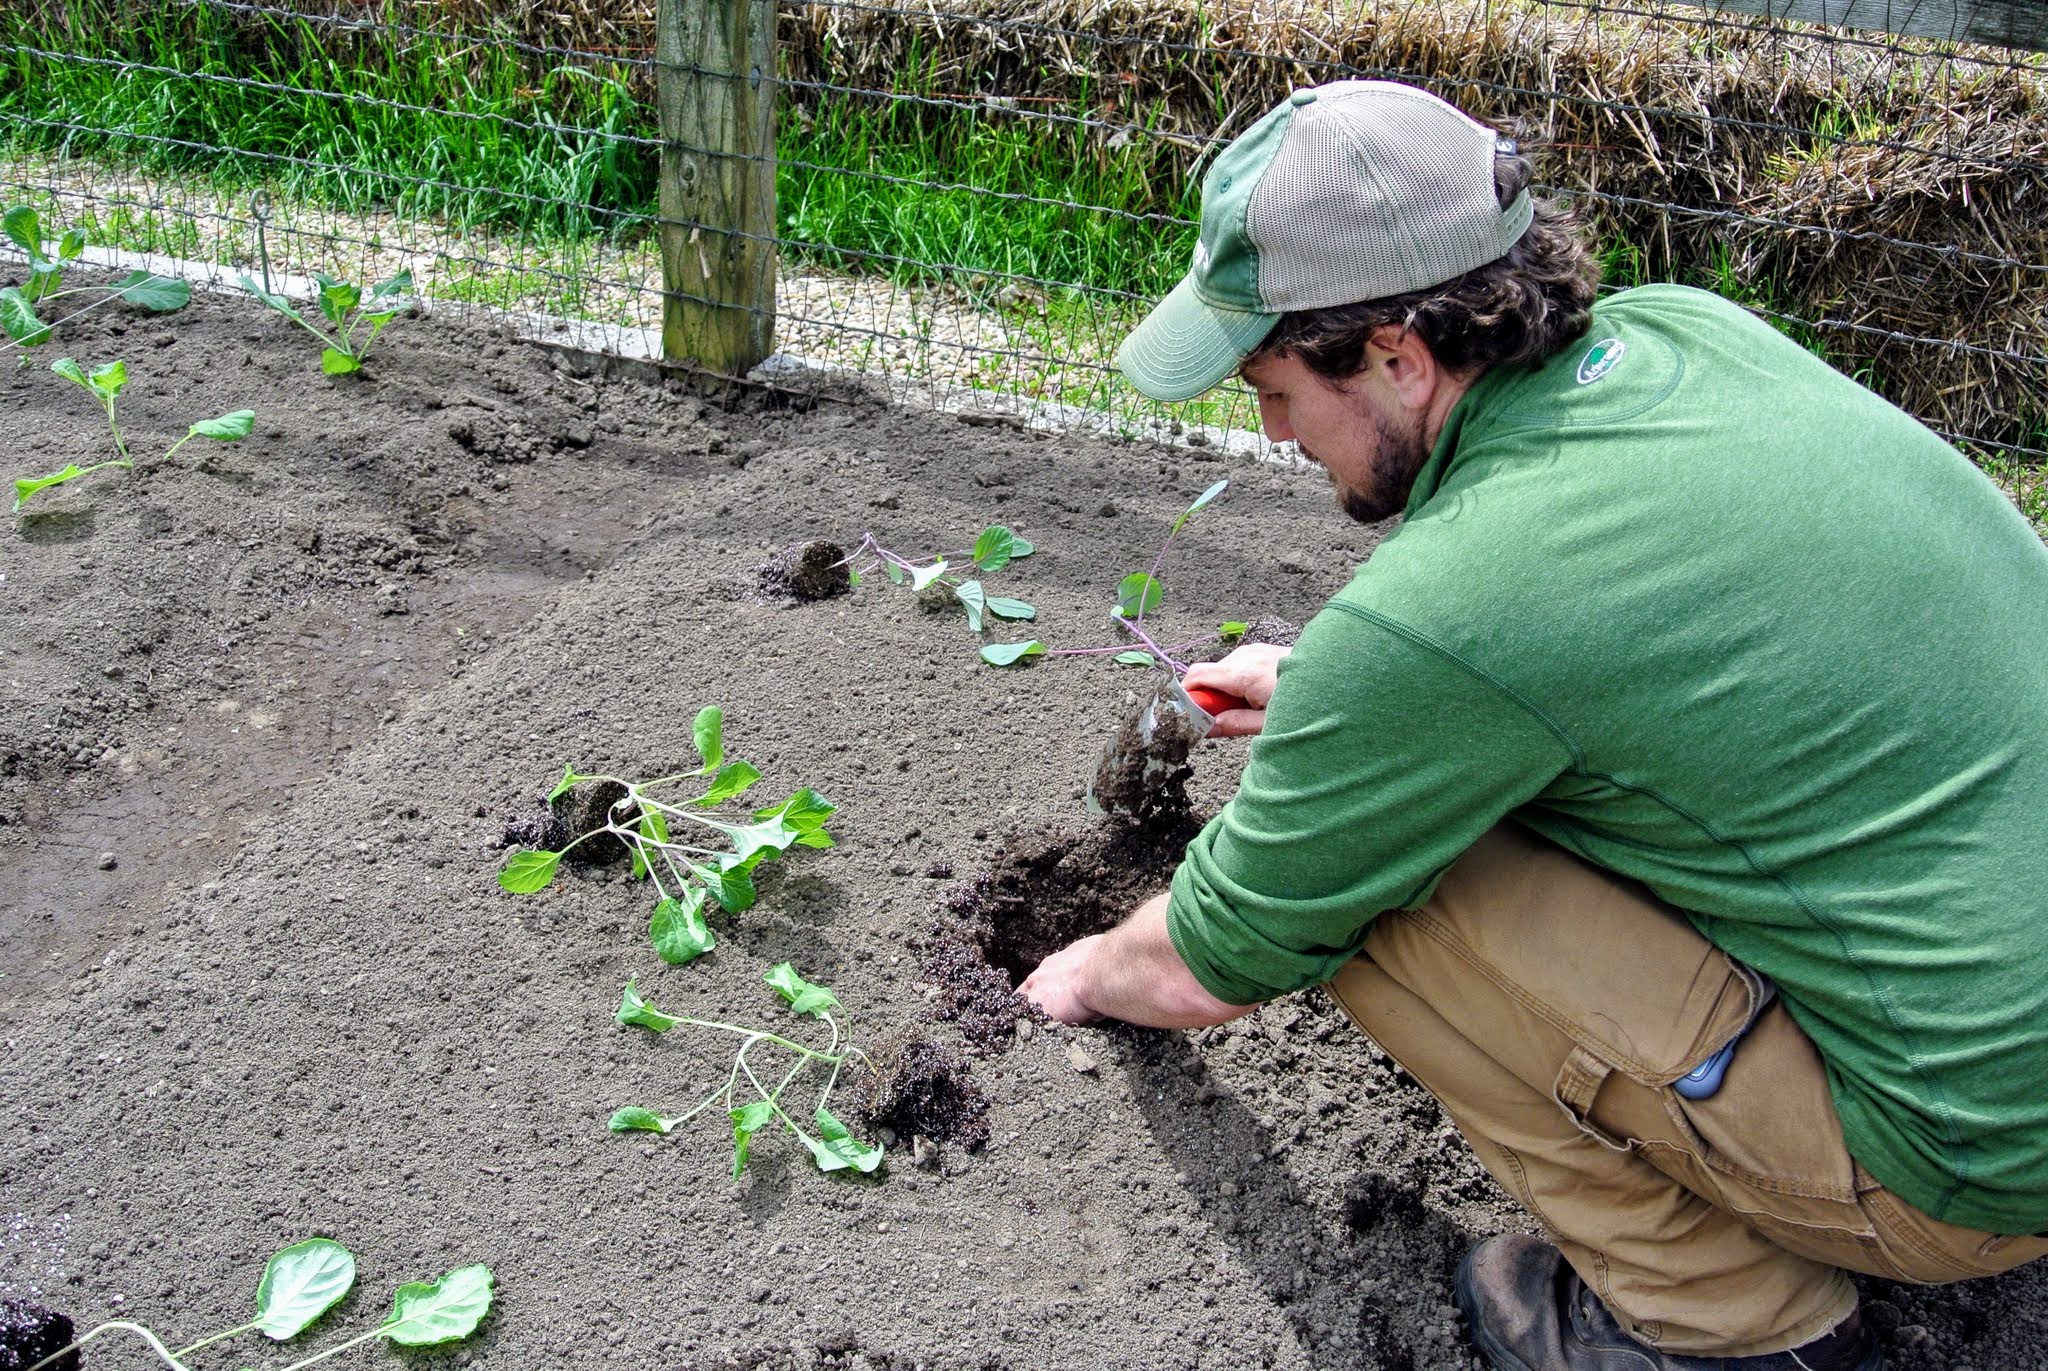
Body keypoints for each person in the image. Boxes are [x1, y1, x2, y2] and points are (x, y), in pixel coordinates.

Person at [1019, 78, 2048, 1371]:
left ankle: (1728, 1328)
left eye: (1273, 384)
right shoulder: (1688, 335)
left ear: (1396, 353)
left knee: (1386, 900)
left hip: (1983, 1157)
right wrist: (1344, 690)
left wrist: (1082, 971)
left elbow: (1210, 962)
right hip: (2005, 983)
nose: (1271, 429)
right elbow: (1657, 653)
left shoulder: (1452, 611)